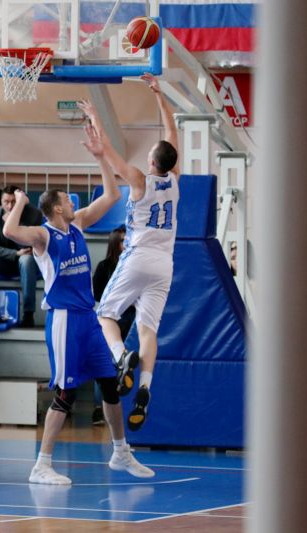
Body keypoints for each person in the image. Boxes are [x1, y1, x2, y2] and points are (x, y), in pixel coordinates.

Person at [2, 121, 153, 485]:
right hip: (64, 320)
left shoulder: (79, 224)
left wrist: (101, 156)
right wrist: (20, 202)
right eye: (68, 200)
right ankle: (41, 465)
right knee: (67, 392)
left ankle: (120, 452)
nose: (75, 202)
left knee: (110, 384)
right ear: (56, 208)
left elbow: (112, 195)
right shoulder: (43, 235)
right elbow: (9, 231)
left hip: (89, 317)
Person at [81, 75, 180, 432]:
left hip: (138, 256)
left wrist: (95, 116)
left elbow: (108, 150)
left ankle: (122, 356)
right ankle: (144, 389)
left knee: (104, 315)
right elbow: (172, 131)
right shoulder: (175, 179)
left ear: (152, 161)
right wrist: (160, 96)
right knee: (148, 329)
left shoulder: (140, 179)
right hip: (164, 264)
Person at [0, 185, 43, 327]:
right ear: (1, 201)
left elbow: (29, 246)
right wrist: (15, 253)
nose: (10, 206)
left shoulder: (34, 214)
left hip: (26, 262)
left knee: (26, 260)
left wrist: (14, 223)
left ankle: (28, 313)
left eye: (14, 201)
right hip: (4, 260)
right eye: (6, 202)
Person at [91, 225, 136, 425]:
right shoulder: (104, 266)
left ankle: (127, 406)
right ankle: (99, 408)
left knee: (129, 361)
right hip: (111, 318)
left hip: (132, 317)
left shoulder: (136, 264)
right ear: (115, 243)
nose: (127, 243)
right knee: (105, 363)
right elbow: (97, 296)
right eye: (123, 240)